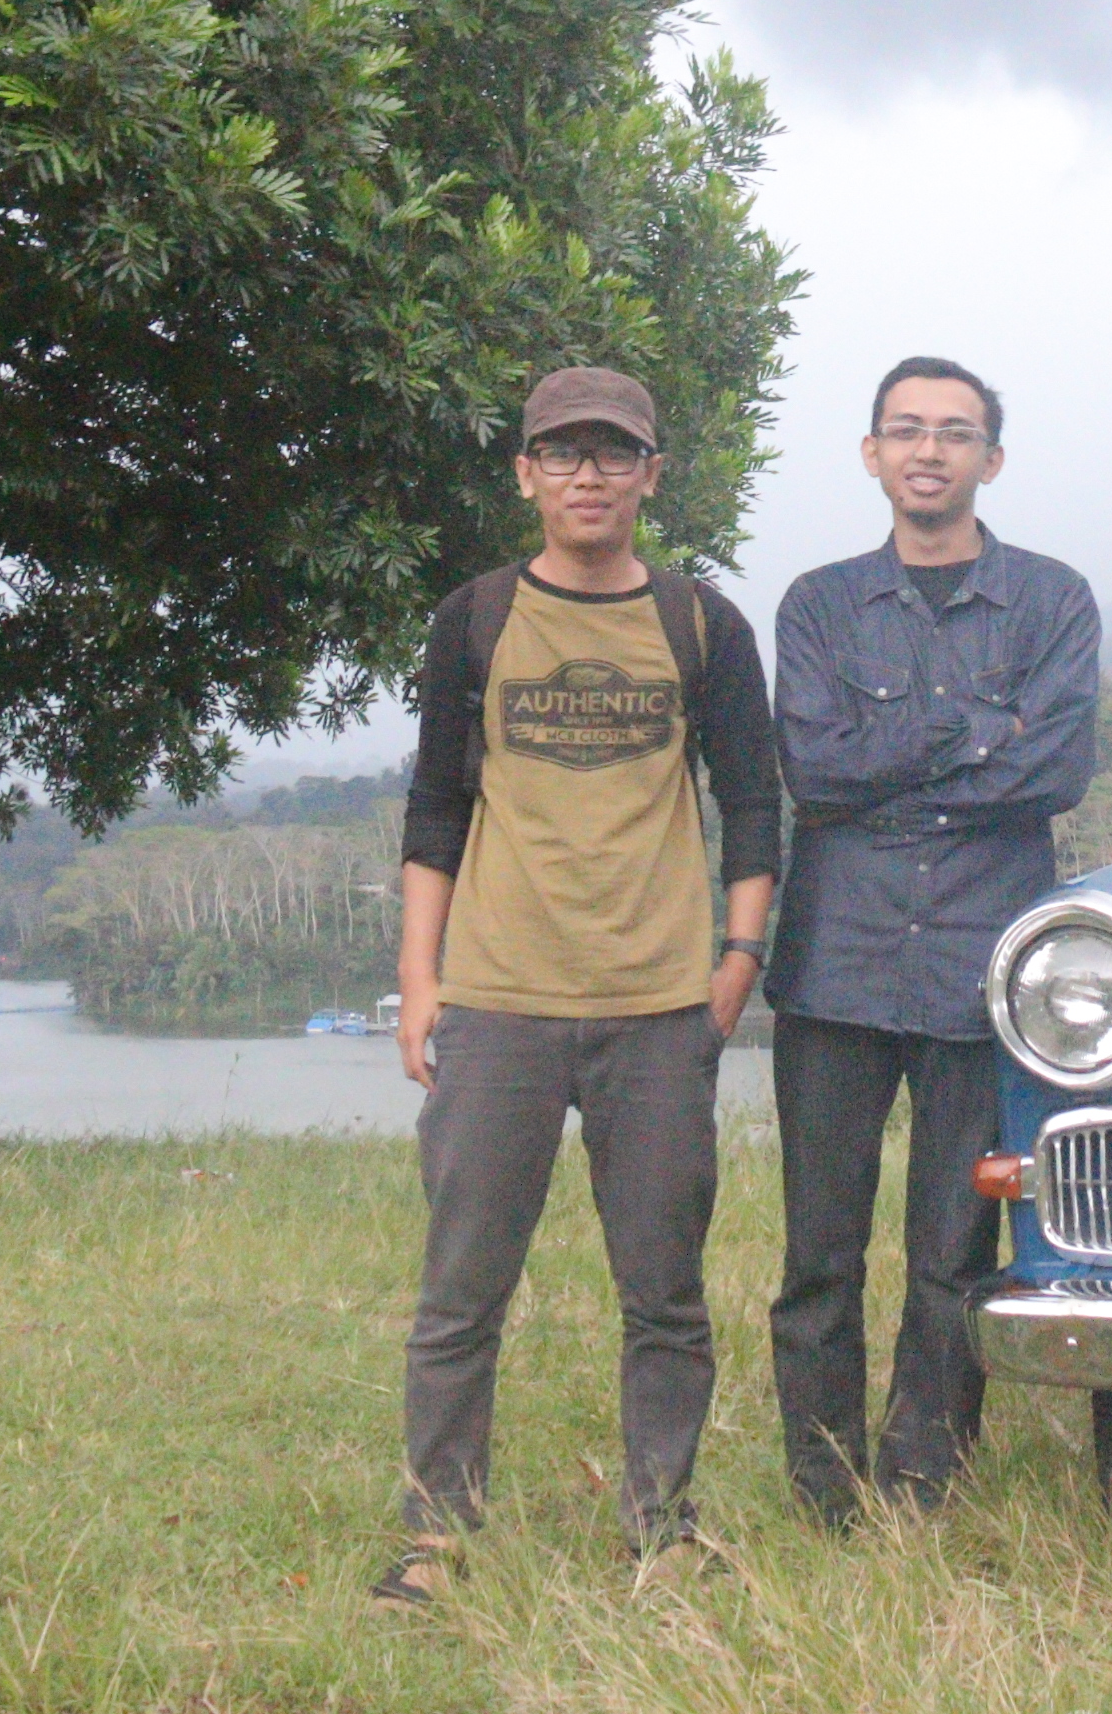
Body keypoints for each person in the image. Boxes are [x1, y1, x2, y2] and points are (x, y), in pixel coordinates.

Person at [379, 366, 782, 1602]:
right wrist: (419, 973)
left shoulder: (702, 624)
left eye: (615, 453)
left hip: (659, 1005)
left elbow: (755, 802)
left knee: (663, 1290)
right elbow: (439, 802)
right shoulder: (476, 618)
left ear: (653, 474)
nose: (590, 474)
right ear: (526, 474)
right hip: (500, 997)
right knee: (462, 1286)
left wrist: (735, 964)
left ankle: (661, 1527)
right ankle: (437, 1536)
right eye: (564, 453)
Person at [764, 356, 1101, 1522]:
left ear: (990, 460)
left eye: (955, 432)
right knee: (821, 1253)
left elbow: (1051, 773)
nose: (929, 450)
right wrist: (970, 729)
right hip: (836, 967)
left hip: (981, 968)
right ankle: (822, 1485)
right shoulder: (815, 602)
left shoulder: (1053, 599)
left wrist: (892, 752)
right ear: (870, 454)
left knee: (955, 1249)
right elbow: (813, 768)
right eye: (905, 429)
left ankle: (925, 1482)